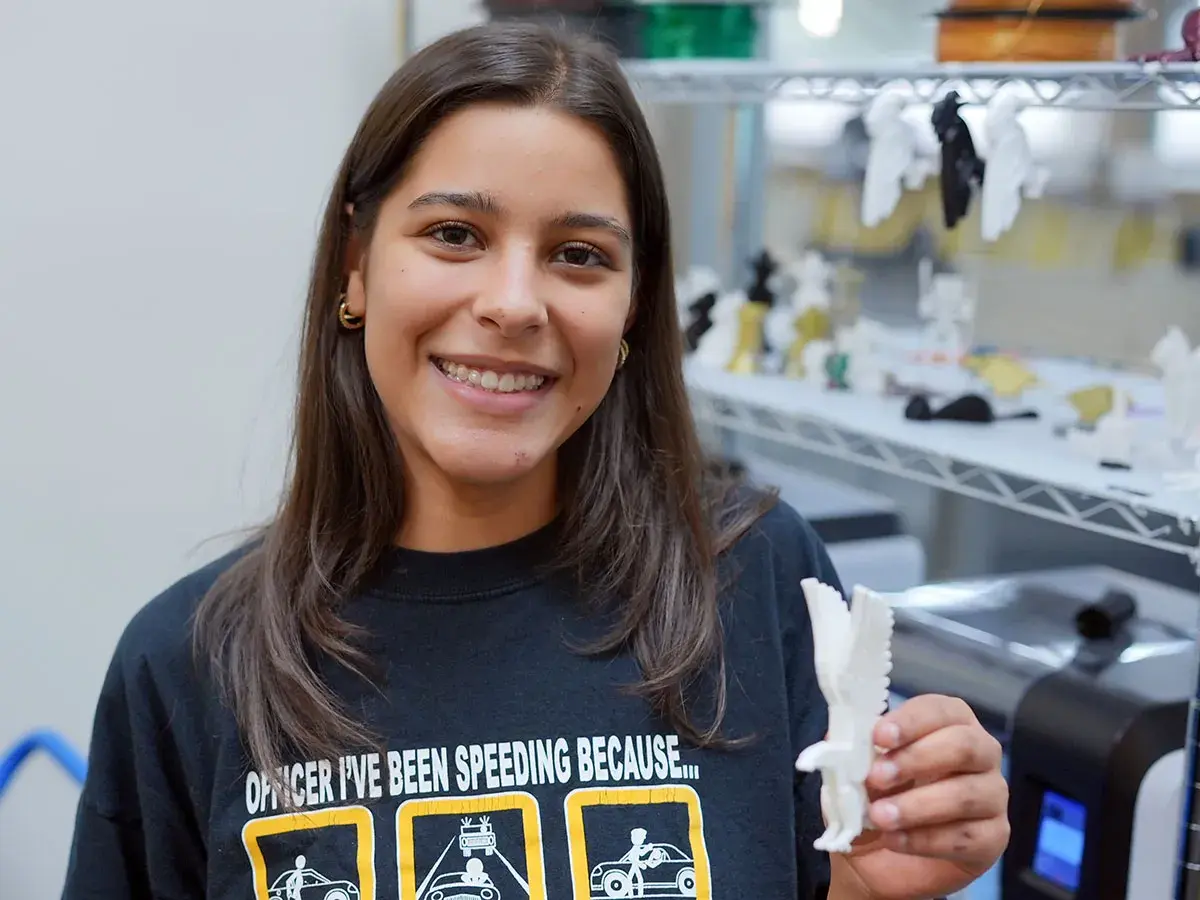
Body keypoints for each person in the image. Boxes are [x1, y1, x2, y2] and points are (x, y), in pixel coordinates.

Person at [60, 21, 1008, 900]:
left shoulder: (756, 580)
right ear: (355, 263)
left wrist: (872, 887)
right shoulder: (189, 662)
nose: (514, 304)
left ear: (633, 306)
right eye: (454, 235)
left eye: (579, 254)